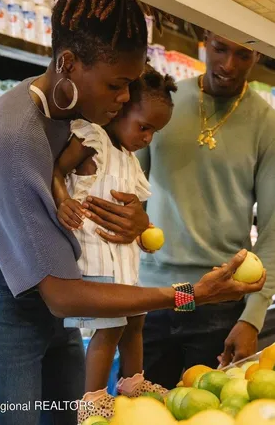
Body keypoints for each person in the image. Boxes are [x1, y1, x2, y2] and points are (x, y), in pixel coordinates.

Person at [0, 0, 266, 424]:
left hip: (55, 300)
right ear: (68, 62)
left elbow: (115, 195)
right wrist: (192, 294)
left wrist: (138, 222)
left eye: (132, 85)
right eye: (118, 84)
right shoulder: (14, 141)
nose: (125, 98)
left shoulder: (85, 109)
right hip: (1, 309)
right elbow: (64, 296)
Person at [137, 32, 275, 389]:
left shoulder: (270, 128)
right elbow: (130, 190)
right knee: (139, 410)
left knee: (208, 411)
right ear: (204, 41)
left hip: (218, 304)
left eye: (243, 54)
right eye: (220, 49)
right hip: (154, 297)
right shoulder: (166, 102)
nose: (228, 65)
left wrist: (252, 318)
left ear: (258, 56)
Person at [51, 64, 177, 422]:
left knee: (136, 318)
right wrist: (63, 201)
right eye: (144, 127)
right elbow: (57, 172)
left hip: (124, 261)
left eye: (155, 131)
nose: (148, 138)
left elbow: (137, 215)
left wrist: (145, 232)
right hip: (95, 256)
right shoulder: (94, 140)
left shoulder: (130, 161)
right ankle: (93, 397)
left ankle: (133, 380)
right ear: (120, 108)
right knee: (110, 327)